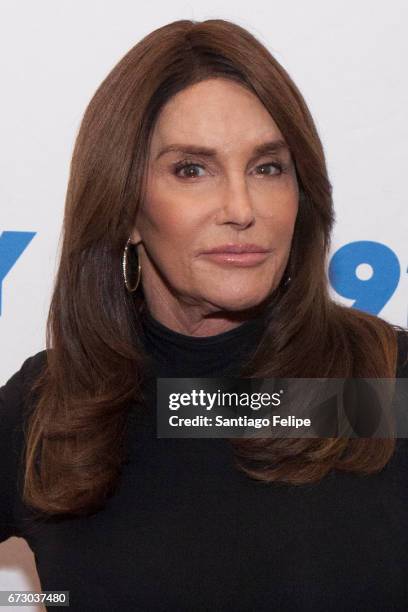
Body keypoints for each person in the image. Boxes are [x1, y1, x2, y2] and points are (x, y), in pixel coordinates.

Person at [1, 17, 407, 612]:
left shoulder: (383, 388)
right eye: (191, 169)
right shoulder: (57, 408)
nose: (241, 207)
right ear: (126, 209)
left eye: (268, 167)